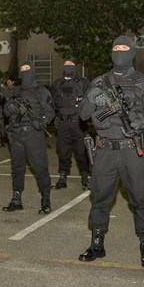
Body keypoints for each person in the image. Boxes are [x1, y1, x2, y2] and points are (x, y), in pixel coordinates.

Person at [78, 37, 144, 266]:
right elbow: (83, 114)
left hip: (133, 149)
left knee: (142, 198)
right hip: (105, 151)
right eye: (115, 48)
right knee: (100, 198)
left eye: (124, 48)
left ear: (132, 53)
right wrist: (93, 98)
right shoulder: (99, 81)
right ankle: (97, 244)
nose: (119, 52)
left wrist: (141, 121)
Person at [2, 61, 55, 214]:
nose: (25, 71)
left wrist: (43, 121)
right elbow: (6, 111)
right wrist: (10, 108)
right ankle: (16, 199)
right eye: (22, 69)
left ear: (33, 71)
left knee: (40, 168)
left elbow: (50, 111)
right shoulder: (15, 91)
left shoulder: (42, 91)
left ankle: (45, 200)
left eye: (27, 69)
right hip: (17, 135)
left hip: (34, 135)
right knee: (17, 168)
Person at [51, 56, 91, 190]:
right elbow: (54, 101)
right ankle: (62, 178)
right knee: (63, 152)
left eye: (70, 63)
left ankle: (85, 177)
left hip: (78, 123)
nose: (67, 65)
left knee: (81, 152)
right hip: (63, 123)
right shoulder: (58, 83)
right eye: (65, 63)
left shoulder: (83, 82)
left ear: (75, 66)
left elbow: (90, 101)